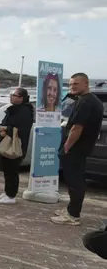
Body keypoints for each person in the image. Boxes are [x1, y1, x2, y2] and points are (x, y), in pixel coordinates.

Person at [51, 73, 104, 226]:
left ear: (86, 84)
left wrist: (67, 146)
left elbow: (77, 127)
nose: (72, 87)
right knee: (75, 180)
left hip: (76, 148)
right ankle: (71, 209)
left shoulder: (86, 102)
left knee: (75, 181)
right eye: (70, 84)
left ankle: (73, 215)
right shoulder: (91, 100)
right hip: (81, 148)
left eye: (75, 84)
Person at [0, 87, 34, 204]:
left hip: (16, 145)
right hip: (6, 142)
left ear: (21, 98)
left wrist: (7, 129)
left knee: (12, 170)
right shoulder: (14, 109)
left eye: (14, 95)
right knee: (7, 170)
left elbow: (22, 130)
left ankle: (11, 195)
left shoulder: (25, 111)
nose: (11, 97)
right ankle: (7, 192)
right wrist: (0, 129)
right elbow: (4, 122)